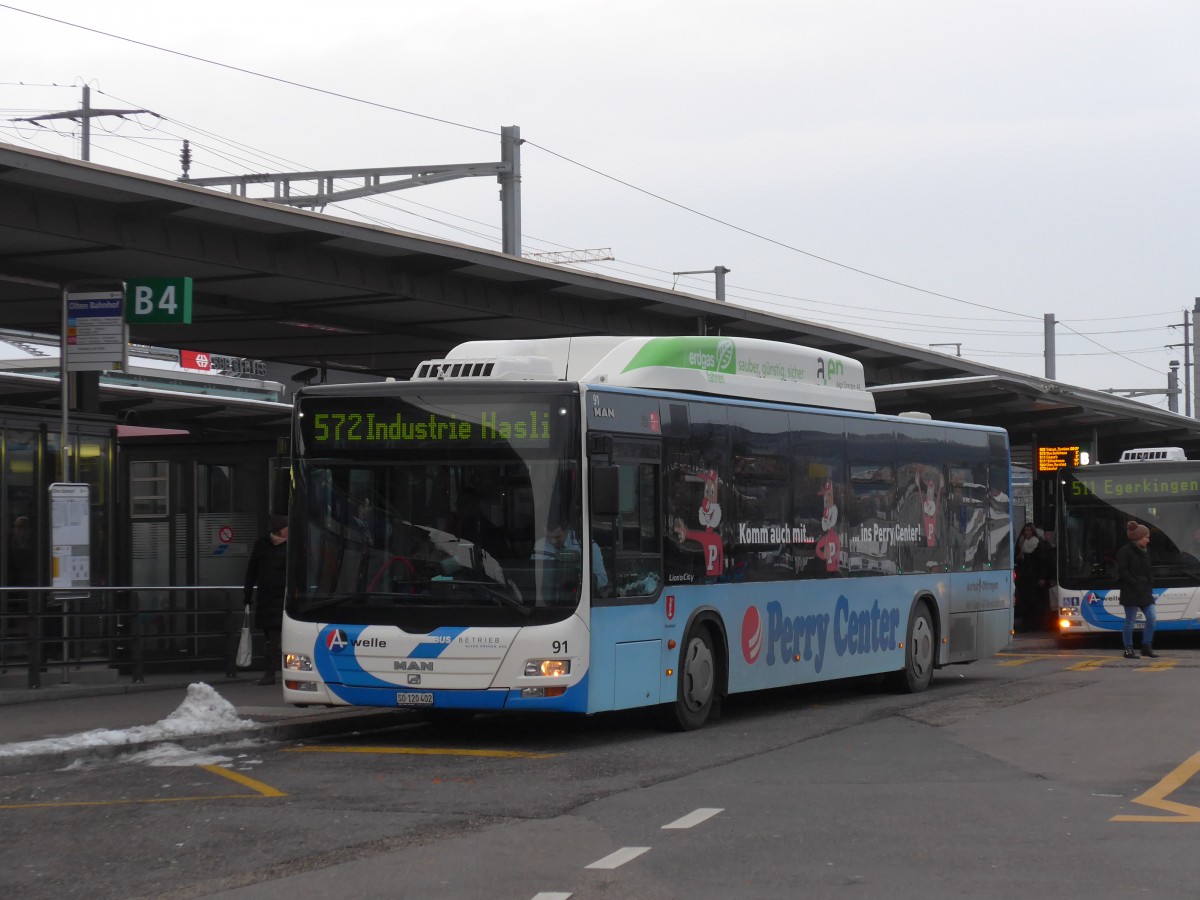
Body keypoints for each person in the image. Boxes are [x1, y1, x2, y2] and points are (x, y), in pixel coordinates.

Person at [244, 514, 289, 685]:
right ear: (280, 529)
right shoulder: (262, 545)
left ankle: (273, 672)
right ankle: (270, 671)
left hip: (286, 599)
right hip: (268, 598)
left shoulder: (293, 547)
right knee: (271, 639)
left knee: (277, 638)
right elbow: (252, 571)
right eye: (287, 527)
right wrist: (247, 595)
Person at [1115, 520, 1158, 659]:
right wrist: (1133, 582)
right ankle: (1128, 648)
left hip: (1145, 591)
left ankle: (1147, 646)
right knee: (1130, 621)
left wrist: (1150, 583)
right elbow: (1122, 570)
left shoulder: (1146, 552)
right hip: (1131, 591)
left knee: (1152, 618)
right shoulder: (1125, 551)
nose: (1148, 540)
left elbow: (1148, 570)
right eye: (1146, 537)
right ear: (1138, 538)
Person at [532, 518, 608, 591]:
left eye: (558, 537)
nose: (553, 541)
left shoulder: (587, 546)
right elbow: (533, 577)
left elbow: (602, 579)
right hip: (545, 597)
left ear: (567, 529)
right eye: (548, 537)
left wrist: (580, 578)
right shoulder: (539, 546)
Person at [1014, 523, 1054, 632]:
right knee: (1025, 602)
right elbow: (1017, 559)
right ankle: (1027, 624)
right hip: (1024, 578)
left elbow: (1042, 562)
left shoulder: (1038, 543)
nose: (1027, 533)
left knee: (1036, 602)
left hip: (1035, 577)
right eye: (1025, 531)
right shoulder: (1021, 543)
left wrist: (1042, 577)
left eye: (1029, 531)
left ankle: (1037, 624)